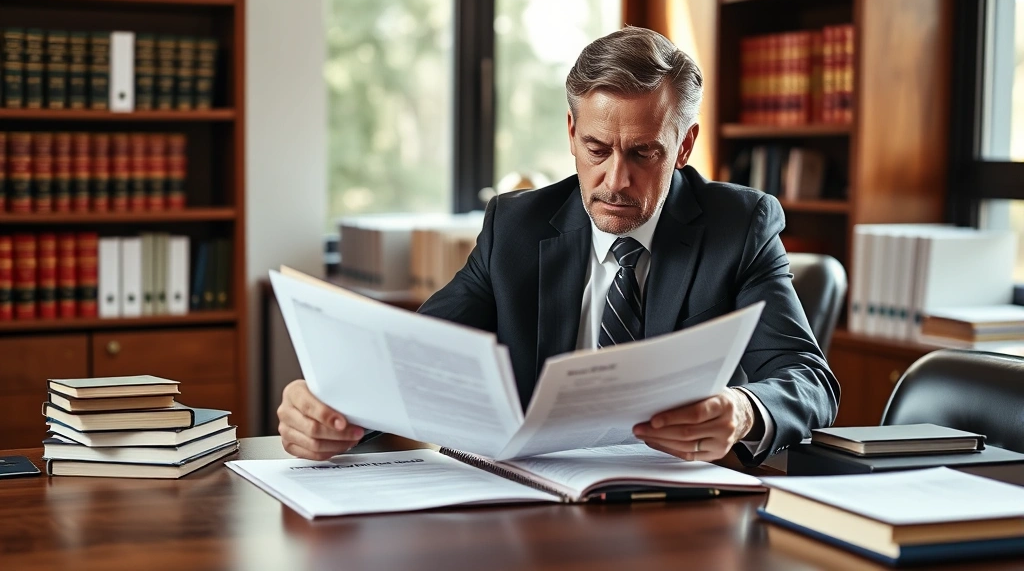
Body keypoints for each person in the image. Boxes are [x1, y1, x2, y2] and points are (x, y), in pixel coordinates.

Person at [277, 26, 839, 467]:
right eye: (596, 148)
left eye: (643, 153)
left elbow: (809, 382)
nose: (615, 180)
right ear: (570, 131)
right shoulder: (515, 227)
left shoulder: (738, 226)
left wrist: (743, 411)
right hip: (534, 501)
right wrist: (334, 409)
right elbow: (419, 357)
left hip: (681, 506)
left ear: (684, 144)